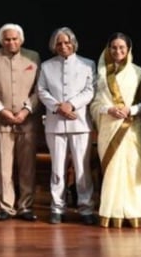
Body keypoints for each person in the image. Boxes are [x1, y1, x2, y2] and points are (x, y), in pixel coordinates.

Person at [0, 22, 41, 222]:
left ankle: (25, 206)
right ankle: (6, 206)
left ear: (21, 40)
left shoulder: (33, 57)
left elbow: (40, 88)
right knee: (3, 168)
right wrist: (0, 109)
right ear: (1, 41)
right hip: (0, 121)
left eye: (14, 39)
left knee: (27, 167)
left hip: (27, 121)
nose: (11, 42)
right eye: (7, 39)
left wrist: (26, 110)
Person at [90, 32, 141, 228]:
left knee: (134, 169)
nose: (118, 51)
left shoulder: (139, 73)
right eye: (114, 47)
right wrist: (108, 109)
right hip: (109, 128)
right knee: (112, 171)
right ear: (108, 49)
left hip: (133, 129)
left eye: (122, 48)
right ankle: (111, 212)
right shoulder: (100, 75)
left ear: (129, 50)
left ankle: (137, 211)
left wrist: (130, 109)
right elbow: (93, 104)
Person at [36, 27, 97, 225]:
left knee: (82, 169)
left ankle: (86, 208)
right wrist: (57, 106)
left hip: (79, 123)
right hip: (55, 124)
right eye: (59, 43)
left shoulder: (87, 64)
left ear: (73, 43)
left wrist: (71, 104)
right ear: (54, 45)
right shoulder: (46, 66)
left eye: (67, 42)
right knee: (57, 169)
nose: (63, 46)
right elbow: (41, 90)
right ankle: (57, 207)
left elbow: (90, 90)